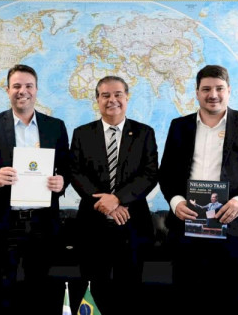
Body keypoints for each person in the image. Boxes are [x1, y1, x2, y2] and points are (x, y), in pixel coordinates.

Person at [159, 65, 238, 315]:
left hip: (233, 226)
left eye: (219, 88)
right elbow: (167, 173)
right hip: (187, 226)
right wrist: (176, 201)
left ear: (229, 90)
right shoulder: (179, 126)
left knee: (232, 298)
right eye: (206, 89)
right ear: (197, 92)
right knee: (187, 296)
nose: (213, 94)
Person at [0, 64, 70, 314]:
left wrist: (62, 182)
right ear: (7, 90)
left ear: (36, 90)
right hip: (4, 222)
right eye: (16, 86)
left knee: (38, 286)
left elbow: (67, 168)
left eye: (28, 86)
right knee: (3, 287)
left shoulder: (55, 126)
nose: (22, 91)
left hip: (42, 222)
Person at [70, 76, 159, 314]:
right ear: (97, 100)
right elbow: (76, 172)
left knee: (129, 290)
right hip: (92, 224)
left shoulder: (144, 133)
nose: (112, 100)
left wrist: (118, 199)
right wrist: (105, 203)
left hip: (132, 224)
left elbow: (150, 174)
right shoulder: (81, 133)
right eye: (105, 95)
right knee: (92, 288)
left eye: (118, 94)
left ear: (127, 97)